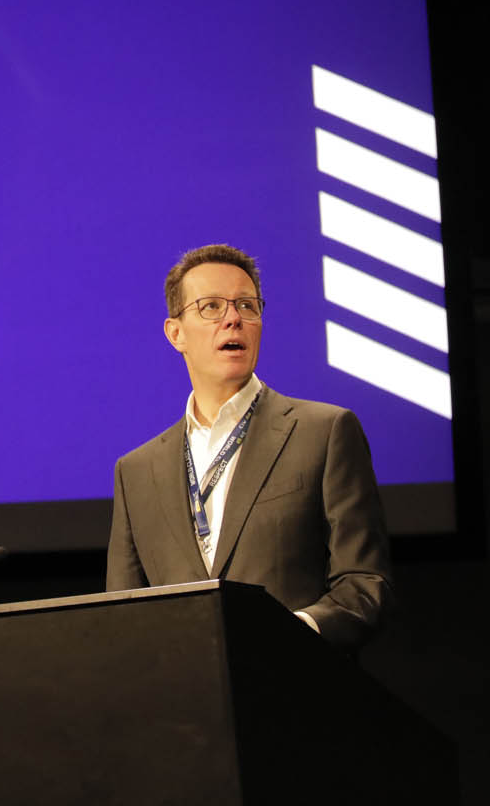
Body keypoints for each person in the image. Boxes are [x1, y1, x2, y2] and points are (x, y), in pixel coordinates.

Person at [105, 244, 393, 650]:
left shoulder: (324, 432)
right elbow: (122, 617)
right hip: (185, 704)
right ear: (176, 333)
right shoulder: (136, 471)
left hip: (293, 691)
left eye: (246, 305)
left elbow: (364, 585)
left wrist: (287, 636)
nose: (233, 319)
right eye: (211, 307)